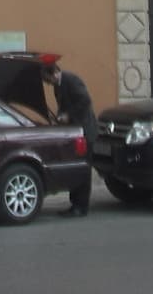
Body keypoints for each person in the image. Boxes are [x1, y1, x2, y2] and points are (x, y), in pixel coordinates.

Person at [41, 60, 97, 218]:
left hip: (85, 131)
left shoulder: (71, 80)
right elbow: (63, 106)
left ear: (54, 73)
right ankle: (75, 204)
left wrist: (68, 115)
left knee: (83, 169)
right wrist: (60, 116)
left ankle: (81, 206)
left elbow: (85, 101)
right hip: (74, 131)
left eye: (47, 79)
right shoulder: (58, 86)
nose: (47, 83)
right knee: (76, 167)